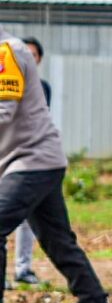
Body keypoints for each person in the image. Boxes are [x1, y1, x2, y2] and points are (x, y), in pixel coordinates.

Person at [0, 33, 112, 303]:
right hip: (33, 161)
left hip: (32, 161)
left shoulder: (6, 51)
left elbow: (4, 111)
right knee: (59, 242)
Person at [9, 37, 45, 287]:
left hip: (26, 159)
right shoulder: (6, 80)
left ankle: (23, 268)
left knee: (26, 219)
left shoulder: (43, 88)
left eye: (33, 55)